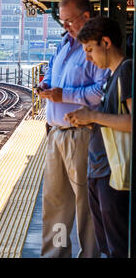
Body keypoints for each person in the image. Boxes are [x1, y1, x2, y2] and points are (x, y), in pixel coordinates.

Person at [37, 0, 108, 258]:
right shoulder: (64, 45)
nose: (65, 27)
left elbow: (102, 90)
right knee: (54, 204)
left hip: (83, 135)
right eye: (62, 22)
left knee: (86, 206)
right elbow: (53, 74)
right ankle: (54, 255)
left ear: (86, 17)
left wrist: (63, 95)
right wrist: (45, 86)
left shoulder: (96, 49)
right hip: (56, 134)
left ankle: (89, 255)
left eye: (69, 21)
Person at [64, 16, 134, 257]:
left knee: (118, 247)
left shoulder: (127, 71)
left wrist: (92, 116)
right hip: (100, 170)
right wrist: (88, 117)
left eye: (90, 49)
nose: (88, 57)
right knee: (107, 245)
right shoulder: (112, 77)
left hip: (114, 174)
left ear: (106, 42)